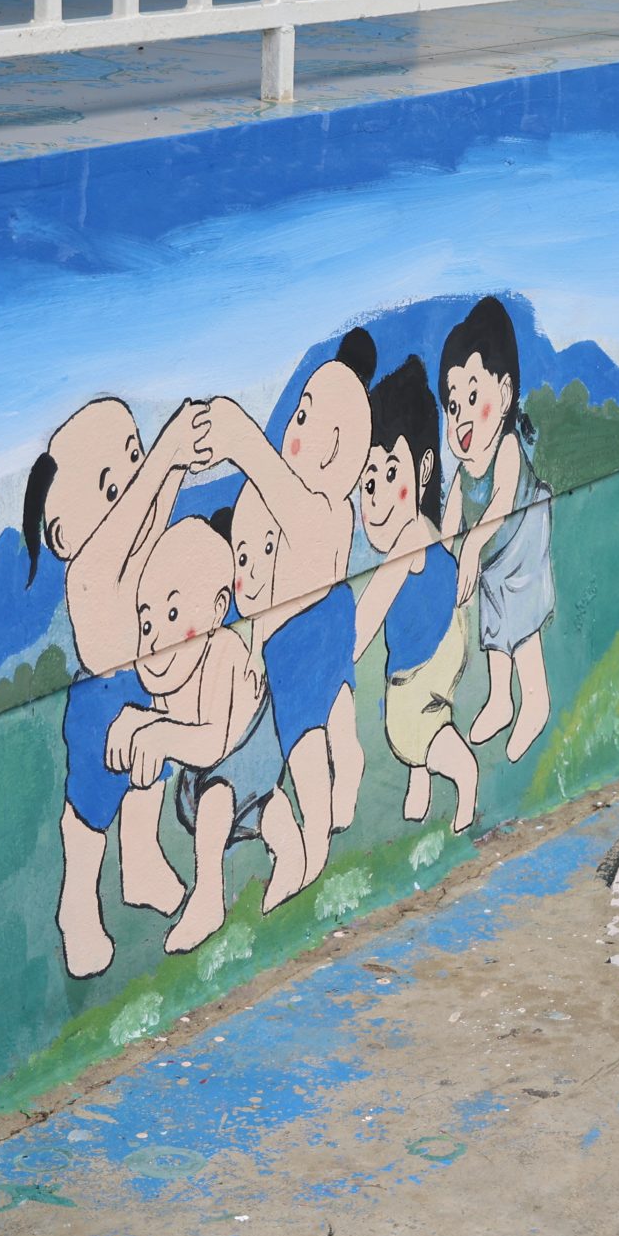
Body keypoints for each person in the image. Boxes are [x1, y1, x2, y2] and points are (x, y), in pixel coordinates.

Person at [20, 397, 205, 979]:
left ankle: (141, 863)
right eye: (108, 485)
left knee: (148, 779)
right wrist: (164, 455)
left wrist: (175, 466)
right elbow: (126, 525)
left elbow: (147, 521)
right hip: (99, 705)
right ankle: (77, 906)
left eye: (133, 457)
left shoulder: (125, 542)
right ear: (62, 534)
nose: (130, 482)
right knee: (91, 809)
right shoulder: (86, 568)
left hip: (146, 684)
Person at [204, 329, 380, 908]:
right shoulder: (328, 508)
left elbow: (286, 501)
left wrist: (239, 437)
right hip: (319, 620)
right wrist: (256, 644)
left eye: (306, 418)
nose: (294, 428)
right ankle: (344, 775)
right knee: (338, 715)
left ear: (337, 447)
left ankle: (315, 841)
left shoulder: (321, 506)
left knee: (307, 745)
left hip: (300, 638)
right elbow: (267, 588)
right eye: (297, 414)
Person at [104, 517, 266, 955]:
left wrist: (157, 734)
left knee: (218, 797)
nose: (157, 638)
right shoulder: (172, 670)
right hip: (206, 768)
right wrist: (135, 722)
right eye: (147, 624)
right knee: (263, 819)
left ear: (217, 609)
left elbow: (214, 742)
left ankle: (209, 896)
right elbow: (169, 722)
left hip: (250, 747)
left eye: (173, 614)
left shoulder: (224, 651)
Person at [355, 357, 481, 834]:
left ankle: (464, 775)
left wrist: (340, 657)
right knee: (426, 717)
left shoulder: (408, 538)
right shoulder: (424, 528)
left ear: (423, 469)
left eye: (391, 475)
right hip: (444, 637)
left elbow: (370, 611)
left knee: (410, 732)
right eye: (368, 483)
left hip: (424, 661)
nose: (377, 497)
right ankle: (420, 779)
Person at [439, 298, 557, 763]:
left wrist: (469, 548)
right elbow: (448, 524)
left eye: (473, 398)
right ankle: (500, 699)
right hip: (491, 553)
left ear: (504, 395)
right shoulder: (463, 469)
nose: (461, 416)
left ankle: (536, 700)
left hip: (523, 536)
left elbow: (504, 502)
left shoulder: (505, 449)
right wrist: (446, 557)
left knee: (521, 624)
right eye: (452, 405)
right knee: (493, 620)